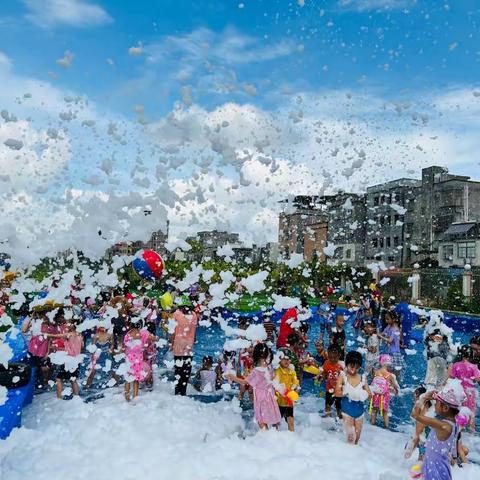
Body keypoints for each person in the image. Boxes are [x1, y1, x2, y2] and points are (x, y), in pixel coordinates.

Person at [411, 379, 466, 480]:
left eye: (436, 402)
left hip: (435, 469)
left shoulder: (442, 425)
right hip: (438, 465)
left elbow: (415, 415)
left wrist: (423, 398)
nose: (434, 404)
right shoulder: (451, 423)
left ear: (445, 408)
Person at [227, 343, 281, 430]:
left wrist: (232, 377)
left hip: (261, 397)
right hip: (270, 395)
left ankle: (266, 436)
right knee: (273, 417)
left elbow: (245, 382)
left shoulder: (256, 371)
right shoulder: (269, 368)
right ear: (267, 354)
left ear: (255, 355)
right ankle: (275, 434)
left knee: (261, 420)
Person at [335, 351, 370, 444]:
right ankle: (347, 455)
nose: (354, 370)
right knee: (350, 437)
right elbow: (336, 393)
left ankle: (355, 456)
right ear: (346, 365)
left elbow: (369, 394)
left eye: (357, 367)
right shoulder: (343, 376)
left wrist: (363, 394)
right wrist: (346, 392)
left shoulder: (362, 378)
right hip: (347, 411)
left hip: (360, 413)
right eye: (351, 367)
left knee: (357, 438)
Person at [123, 318, 156, 401]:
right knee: (136, 379)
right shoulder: (142, 334)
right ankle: (135, 397)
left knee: (127, 378)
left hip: (129, 359)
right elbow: (154, 338)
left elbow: (124, 347)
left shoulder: (127, 335)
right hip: (137, 360)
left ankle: (127, 397)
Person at [449, 345, 480, 432]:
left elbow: (451, 377)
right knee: (471, 411)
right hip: (470, 392)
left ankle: (459, 429)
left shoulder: (456, 365)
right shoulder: (474, 367)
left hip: (459, 391)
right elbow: (478, 379)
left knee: (459, 410)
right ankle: (471, 429)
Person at [171, 302, 198, 396]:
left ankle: (177, 392)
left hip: (178, 344)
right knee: (186, 370)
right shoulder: (194, 315)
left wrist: (171, 343)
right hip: (189, 346)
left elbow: (172, 331)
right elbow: (195, 332)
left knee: (178, 370)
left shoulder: (177, 314)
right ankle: (183, 392)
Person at [369, 354, 399, 428]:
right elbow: (395, 386)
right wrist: (396, 391)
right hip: (384, 396)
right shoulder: (390, 375)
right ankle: (386, 426)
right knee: (385, 411)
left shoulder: (376, 372)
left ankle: (372, 423)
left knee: (374, 409)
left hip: (375, 394)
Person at [404, 385, 434, 461]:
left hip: (426, 434)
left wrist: (414, 441)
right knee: (423, 451)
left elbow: (421, 424)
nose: (415, 397)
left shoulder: (425, 407)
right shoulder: (425, 407)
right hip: (425, 435)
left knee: (423, 453)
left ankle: (421, 468)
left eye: (416, 395)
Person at [274, 349, 300, 431]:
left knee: (290, 419)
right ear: (279, 360)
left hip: (289, 401)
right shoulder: (277, 371)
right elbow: (276, 385)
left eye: (288, 359)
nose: (286, 361)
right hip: (280, 401)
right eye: (284, 359)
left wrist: (296, 390)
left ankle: (291, 435)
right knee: (276, 421)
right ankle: (273, 435)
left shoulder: (292, 372)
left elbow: (296, 383)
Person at [319, 345, 343, 418]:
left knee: (338, 406)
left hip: (339, 390)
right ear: (327, 355)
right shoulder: (326, 363)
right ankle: (327, 419)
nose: (332, 359)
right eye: (330, 357)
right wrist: (321, 377)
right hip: (329, 388)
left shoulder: (341, 366)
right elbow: (324, 372)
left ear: (339, 356)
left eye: (334, 358)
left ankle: (340, 417)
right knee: (327, 404)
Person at [378, 311, 404, 376]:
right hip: (388, 351)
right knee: (389, 368)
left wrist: (381, 336)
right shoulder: (389, 326)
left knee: (396, 370)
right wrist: (378, 334)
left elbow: (390, 341)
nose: (386, 321)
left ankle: (396, 382)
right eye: (385, 319)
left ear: (394, 319)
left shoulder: (395, 329)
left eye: (388, 319)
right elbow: (383, 333)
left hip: (395, 352)